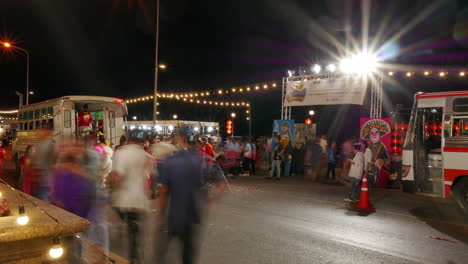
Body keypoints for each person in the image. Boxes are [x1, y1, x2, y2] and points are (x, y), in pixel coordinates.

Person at [157, 133, 227, 264]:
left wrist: (161, 214)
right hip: (193, 217)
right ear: (198, 143)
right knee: (188, 256)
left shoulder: (171, 160)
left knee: (162, 253)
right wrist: (210, 199)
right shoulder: (206, 160)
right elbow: (222, 185)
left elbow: (164, 191)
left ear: (182, 141)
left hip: (173, 217)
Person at [50, 138, 96, 264]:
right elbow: (56, 196)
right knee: (70, 250)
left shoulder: (83, 169)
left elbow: (90, 195)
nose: (74, 149)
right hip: (67, 219)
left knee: (74, 249)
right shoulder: (61, 171)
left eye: (78, 147)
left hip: (78, 218)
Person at [109, 135, 152, 264]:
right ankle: (135, 257)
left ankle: (123, 228)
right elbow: (148, 178)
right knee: (135, 233)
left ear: (128, 140)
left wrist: (111, 186)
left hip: (123, 199)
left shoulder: (121, 153)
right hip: (139, 200)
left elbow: (117, 178)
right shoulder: (146, 156)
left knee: (127, 222)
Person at [31, 128, 56, 201]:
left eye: (39, 132)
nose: (37, 134)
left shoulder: (38, 145)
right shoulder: (52, 144)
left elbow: (32, 159)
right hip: (47, 177)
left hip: (44, 177)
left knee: (43, 197)